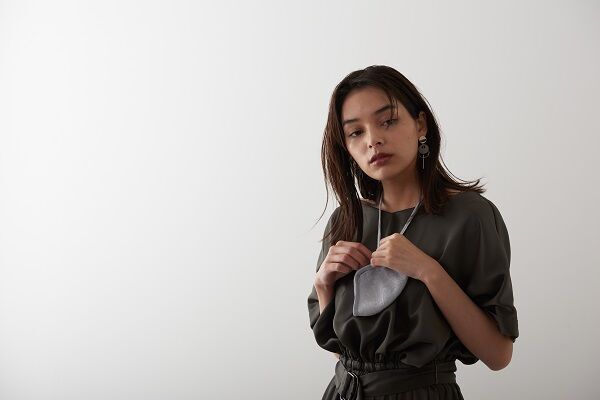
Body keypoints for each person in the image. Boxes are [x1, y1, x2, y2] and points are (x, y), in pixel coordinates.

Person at [307, 65, 519, 400]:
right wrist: (324, 285)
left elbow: (498, 355)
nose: (373, 140)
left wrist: (428, 271)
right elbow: (345, 353)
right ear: (345, 146)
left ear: (420, 124)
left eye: (387, 121)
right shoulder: (345, 220)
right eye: (356, 132)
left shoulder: (470, 216)